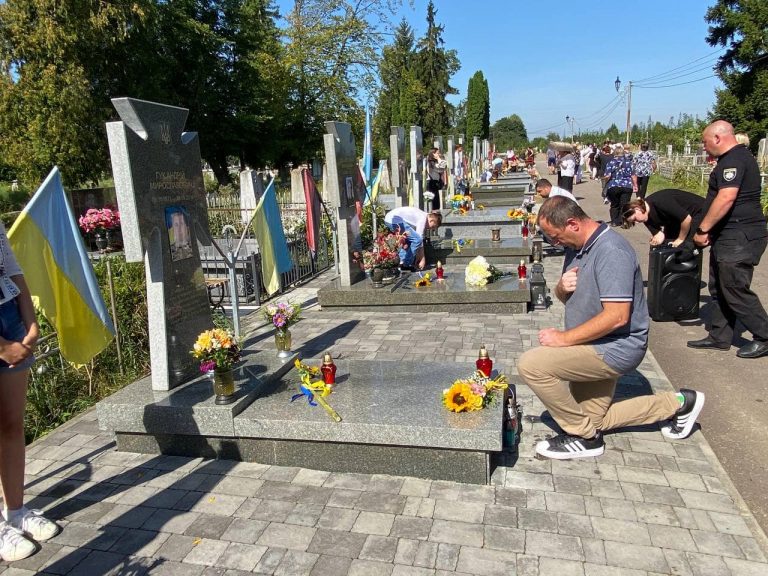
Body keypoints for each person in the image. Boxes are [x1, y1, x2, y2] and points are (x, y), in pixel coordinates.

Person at [517, 197, 705, 459]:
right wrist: (561, 288)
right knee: (592, 419)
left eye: (556, 237)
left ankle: (585, 438)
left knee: (532, 365)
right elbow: (570, 298)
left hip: (616, 346)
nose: (555, 244)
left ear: (572, 224)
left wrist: (564, 338)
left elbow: (617, 316)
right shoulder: (576, 246)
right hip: (593, 342)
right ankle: (680, 403)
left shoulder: (612, 252)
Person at [0, 222, 61, 561]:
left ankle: (16, 511)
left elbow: (11, 266)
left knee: (11, 424)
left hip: (8, 313)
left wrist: (31, 322)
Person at [687, 120, 768, 359]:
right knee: (719, 287)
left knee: (734, 288)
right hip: (728, 235)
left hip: (739, 235)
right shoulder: (732, 159)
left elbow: (726, 198)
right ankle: (719, 336)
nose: (704, 147)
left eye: (705, 142)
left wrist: (703, 230)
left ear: (718, 138)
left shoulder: (734, 160)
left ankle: (764, 336)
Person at [622, 188, 705, 248]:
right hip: (676, 220)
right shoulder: (645, 218)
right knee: (668, 244)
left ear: (637, 209)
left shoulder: (660, 202)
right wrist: (656, 241)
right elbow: (659, 235)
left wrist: (680, 239)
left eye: (635, 219)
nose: (637, 222)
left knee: (687, 245)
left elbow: (686, 219)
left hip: (699, 211)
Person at [383, 207, 442, 271]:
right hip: (394, 220)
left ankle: (401, 262)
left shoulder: (422, 215)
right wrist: (422, 259)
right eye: (432, 227)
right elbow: (419, 240)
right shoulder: (423, 219)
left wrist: (418, 256)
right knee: (417, 239)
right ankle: (406, 264)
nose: (430, 229)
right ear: (431, 220)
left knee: (411, 239)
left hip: (390, 219)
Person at [602, 144, 636, 226]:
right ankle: (623, 221)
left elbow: (607, 176)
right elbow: (633, 175)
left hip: (613, 185)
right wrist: (635, 185)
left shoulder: (610, 163)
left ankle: (614, 221)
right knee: (624, 205)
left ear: (614, 153)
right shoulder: (629, 162)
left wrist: (605, 182)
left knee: (614, 204)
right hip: (627, 186)